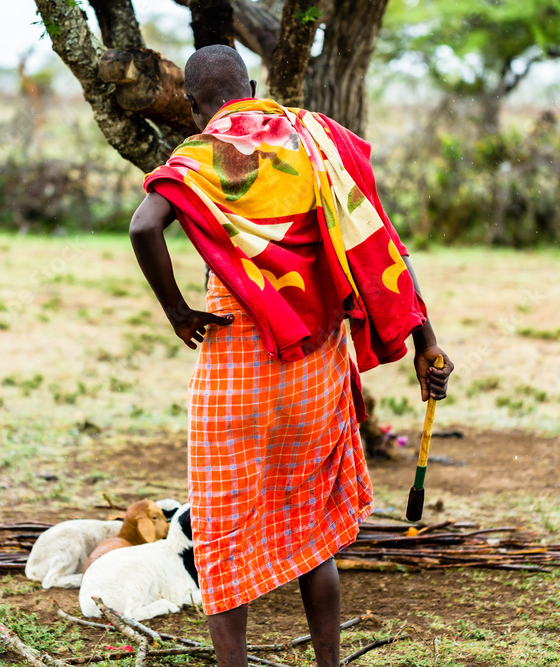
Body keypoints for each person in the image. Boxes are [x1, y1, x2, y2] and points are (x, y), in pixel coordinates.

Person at [128, 45, 454, 667]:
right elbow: (376, 240)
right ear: (250, 85)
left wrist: (177, 312)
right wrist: (426, 339)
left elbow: (145, 226)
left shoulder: (199, 155)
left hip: (236, 370)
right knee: (312, 527)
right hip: (313, 369)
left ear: (195, 105)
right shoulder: (314, 138)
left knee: (224, 529)